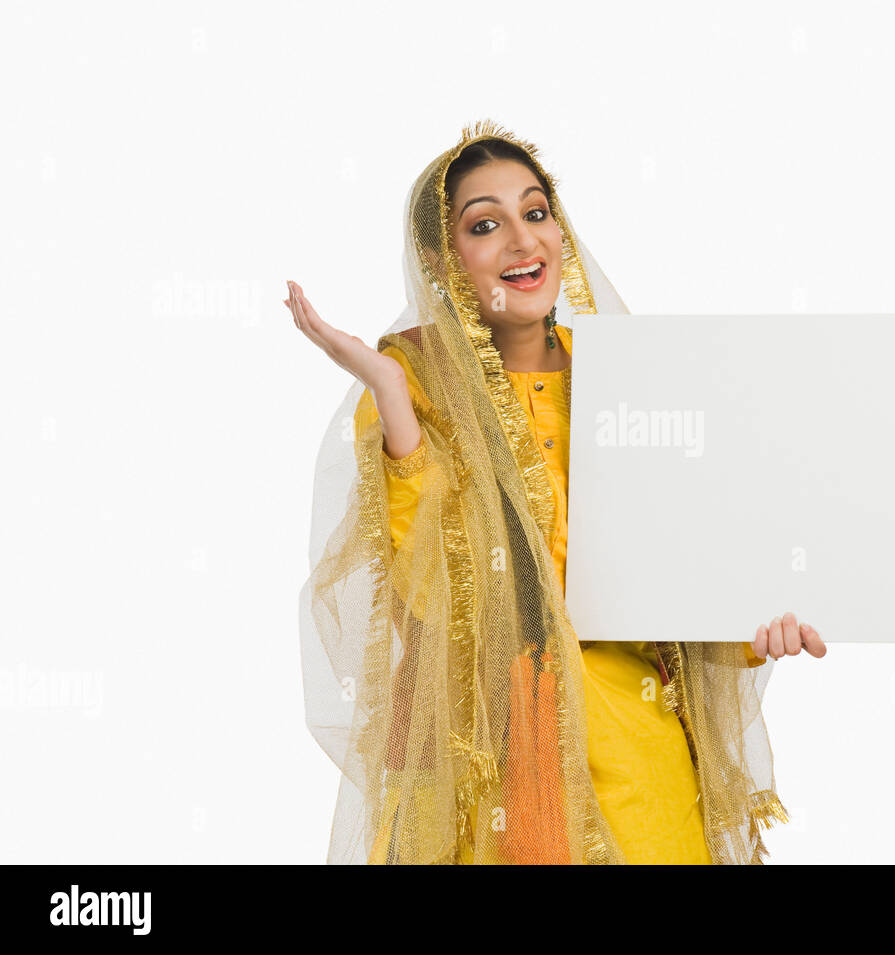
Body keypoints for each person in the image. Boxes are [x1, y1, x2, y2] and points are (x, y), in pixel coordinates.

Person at [291, 119, 827, 865]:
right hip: (490, 762)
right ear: (442, 261)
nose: (522, 241)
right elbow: (429, 586)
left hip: (636, 754)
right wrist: (392, 399)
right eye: (486, 225)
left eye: (536, 213)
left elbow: (683, 564)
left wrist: (757, 625)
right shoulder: (418, 386)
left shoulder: (626, 377)